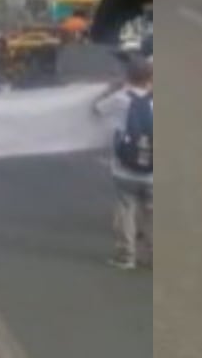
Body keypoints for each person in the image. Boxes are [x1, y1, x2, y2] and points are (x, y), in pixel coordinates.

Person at [91, 55, 153, 270]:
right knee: (152, 213)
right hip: (153, 170)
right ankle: (153, 255)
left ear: (128, 76)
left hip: (124, 169)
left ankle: (126, 255)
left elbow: (97, 109)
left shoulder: (120, 98)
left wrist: (113, 88)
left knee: (126, 210)